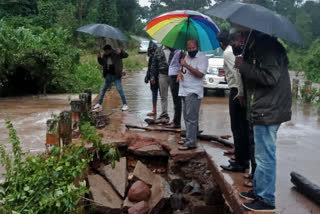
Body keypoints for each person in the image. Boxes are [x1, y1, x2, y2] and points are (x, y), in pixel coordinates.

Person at [234, 28, 292, 212]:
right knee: (260, 154)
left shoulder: (268, 48)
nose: (240, 37)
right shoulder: (259, 47)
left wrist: (244, 66)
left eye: (242, 33)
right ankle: (259, 191)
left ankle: (266, 200)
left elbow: (270, 77)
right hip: (262, 108)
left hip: (269, 109)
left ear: (253, 32)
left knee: (266, 156)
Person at [216, 30, 251, 173]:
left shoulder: (227, 52)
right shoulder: (233, 51)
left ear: (221, 43)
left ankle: (240, 162)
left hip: (237, 92)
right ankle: (242, 158)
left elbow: (237, 71)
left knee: (237, 127)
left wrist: (240, 93)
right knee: (242, 127)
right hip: (239, 90)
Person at [177, 40, 208, 150]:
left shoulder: (202, 58)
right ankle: (189, 138)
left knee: (191, 117)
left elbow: (200, 74)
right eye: (188, 48)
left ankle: (191, 142)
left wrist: (186, 65)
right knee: (186, 116)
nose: (190, 50)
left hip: (194, 90)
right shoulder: (186, 56)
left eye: (192, 48)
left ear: (197, 47)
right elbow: (184, 70)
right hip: (184, 90)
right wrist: (180, 72)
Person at [94, 44, 129, 111]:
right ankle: (99, 103)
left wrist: (121, 52)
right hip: (108, 75)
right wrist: (99, 58)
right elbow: (102, 63)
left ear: (109, 50)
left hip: (116, 75)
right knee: (103, 89)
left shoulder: (116, 53)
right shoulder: (105, 55)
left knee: (119, 89)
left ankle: (125, 105)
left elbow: (126, 55)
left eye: (106, 51)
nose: (105, 52)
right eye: (104, 51)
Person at [150, 45, 175, 120]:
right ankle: (164, 113)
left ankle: (176, 117)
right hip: (162, 75)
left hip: (173, 75)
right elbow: (154, 64)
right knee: (163, 96)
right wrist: (152, 76)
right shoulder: (158, 50)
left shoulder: (175, 49)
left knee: (175, 96)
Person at [166, 49, 183, 128]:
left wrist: (180, 71)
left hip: (176, 76)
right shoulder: (173, 52)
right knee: (175, 100)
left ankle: (177, 122)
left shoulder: (180, 52)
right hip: (172, 75)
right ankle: (175, 120)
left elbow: (182, 64)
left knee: (177, 100)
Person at [145, 41, 159, 116]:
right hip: (152, 79)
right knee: (154, 93)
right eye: (151, 51)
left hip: (159, 77)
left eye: (154, 50)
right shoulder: (150, 58)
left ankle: (163, 112)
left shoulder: (159, 56)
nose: (153, 52)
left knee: (163, 95)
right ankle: (154, 110)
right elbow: (149, 68)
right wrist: (147, 77)